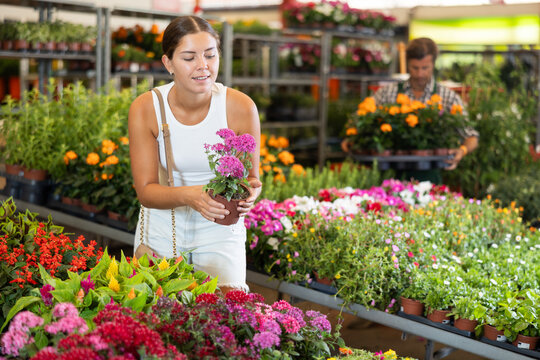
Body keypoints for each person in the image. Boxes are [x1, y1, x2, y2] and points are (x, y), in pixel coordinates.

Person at [128, 16, 261, 294]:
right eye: (189, 57)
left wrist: (250, 193)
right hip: (163, 228)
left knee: (223, 319)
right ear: (168, 64)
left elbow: (251, 178)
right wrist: (193, 196)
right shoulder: (147, 107)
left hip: (220, 228)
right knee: (159, 319)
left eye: (211, 55)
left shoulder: (239, 107)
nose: (203, 66)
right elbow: (146, 191)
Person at [342, 37, 478, 179]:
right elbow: (360, 120)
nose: (420, 74)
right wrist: (351, 138)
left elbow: (471, 136)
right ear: (407, 64)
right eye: (415, 68)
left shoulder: (448, 97)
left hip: (429, 174)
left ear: (433, 64)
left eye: (425, 68)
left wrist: (462, 150)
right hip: (390, 173)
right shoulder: (387, 93)